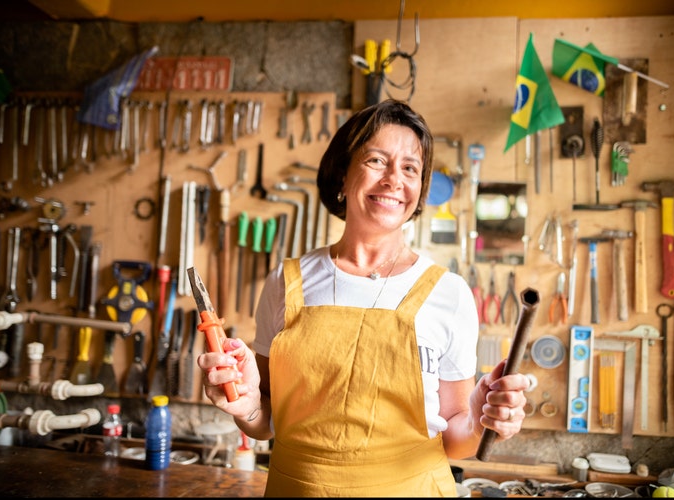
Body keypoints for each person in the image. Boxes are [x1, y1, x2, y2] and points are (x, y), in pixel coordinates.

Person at [197, 99, 529, 497]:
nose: (394, 179)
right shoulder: (286, 283)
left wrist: (480, 416)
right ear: (343, 173)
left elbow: (456, 440)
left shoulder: (449, 292)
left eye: (410, 168)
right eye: (376, 160)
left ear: (419, 190)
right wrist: (245, 404)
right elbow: (263, 418)